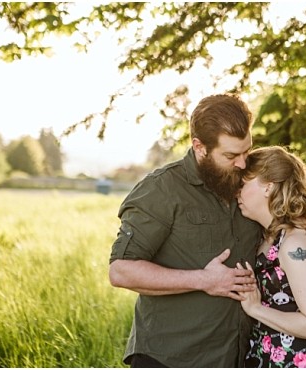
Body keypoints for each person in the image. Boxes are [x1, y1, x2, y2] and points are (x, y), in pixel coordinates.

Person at [109, 94, 264, 367]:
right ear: (199, 146)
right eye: (230, 155)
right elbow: (121, 270)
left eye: (246, 151)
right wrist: (204, 280)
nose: (242, 163)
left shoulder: (249, 183)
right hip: (170, 357)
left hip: (237, 357)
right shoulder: (161, 189)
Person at [236, 146, 306, 368]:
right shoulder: (272, 236)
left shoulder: (296, 242)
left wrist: (255, 308)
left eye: (243, 184)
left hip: (301, 361)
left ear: (268, 187)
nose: (236, 191)